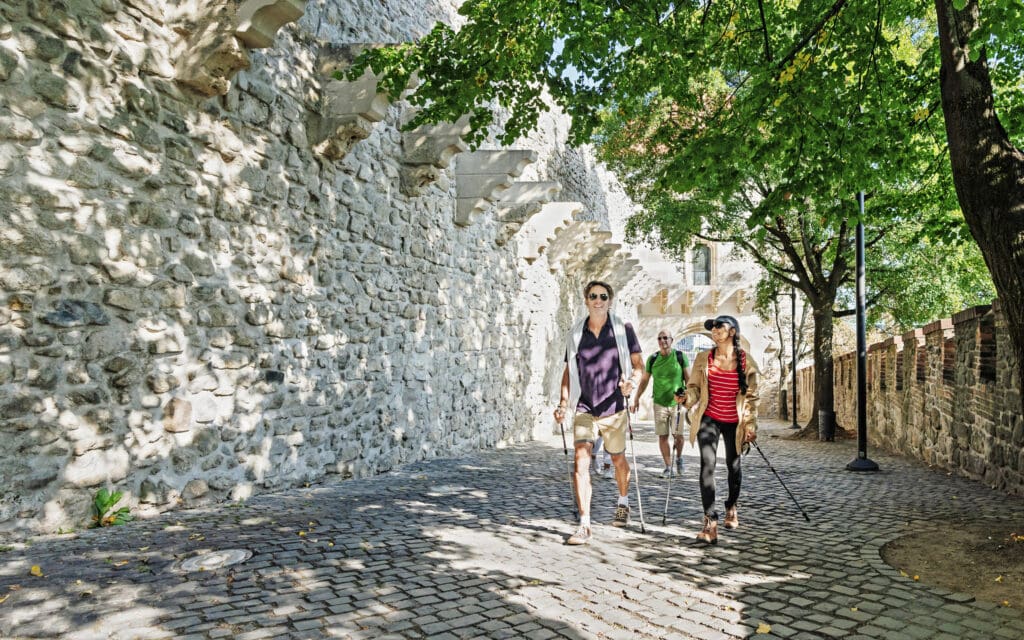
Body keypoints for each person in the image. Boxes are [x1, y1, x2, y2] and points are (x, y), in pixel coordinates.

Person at [554, 280, 644, 545]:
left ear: (609, 300)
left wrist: (632, 382)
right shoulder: (575, 334)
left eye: (603, 296)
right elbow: (569, 371)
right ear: (586, 300)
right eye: (593, 296)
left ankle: (623, 502)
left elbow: (638, 366)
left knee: (617, 459)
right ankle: (584, 524)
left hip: (614, 407)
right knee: (581, 460)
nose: (598, 300)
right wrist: (563, 403)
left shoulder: (623, 330)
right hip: (584, 406)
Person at [684, 315, 760, 545]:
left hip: (735, 422)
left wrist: (750, 425)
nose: (715, 330)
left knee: (733, 466)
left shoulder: (746, 362)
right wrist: (686, 398)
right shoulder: (703, 358)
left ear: (732, 332)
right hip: (709, 419)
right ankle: (710, 522)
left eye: (720, 326)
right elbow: (694, 388)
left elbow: (752, 398)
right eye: (712, 328)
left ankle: (731, 506)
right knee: (707, 465)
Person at [631, 330, 691, 478]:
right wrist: (636, 398)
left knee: (678, 436)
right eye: (659, 338)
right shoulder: (653, 359)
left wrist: (689, 399)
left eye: (665, 338)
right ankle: (668, 467)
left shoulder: (680, 356)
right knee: (663, 436)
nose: (662, 340)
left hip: (677, 404)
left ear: (671, 340)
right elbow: (644, 380)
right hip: (659, 403)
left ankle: (679, 458)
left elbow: (689, 380)